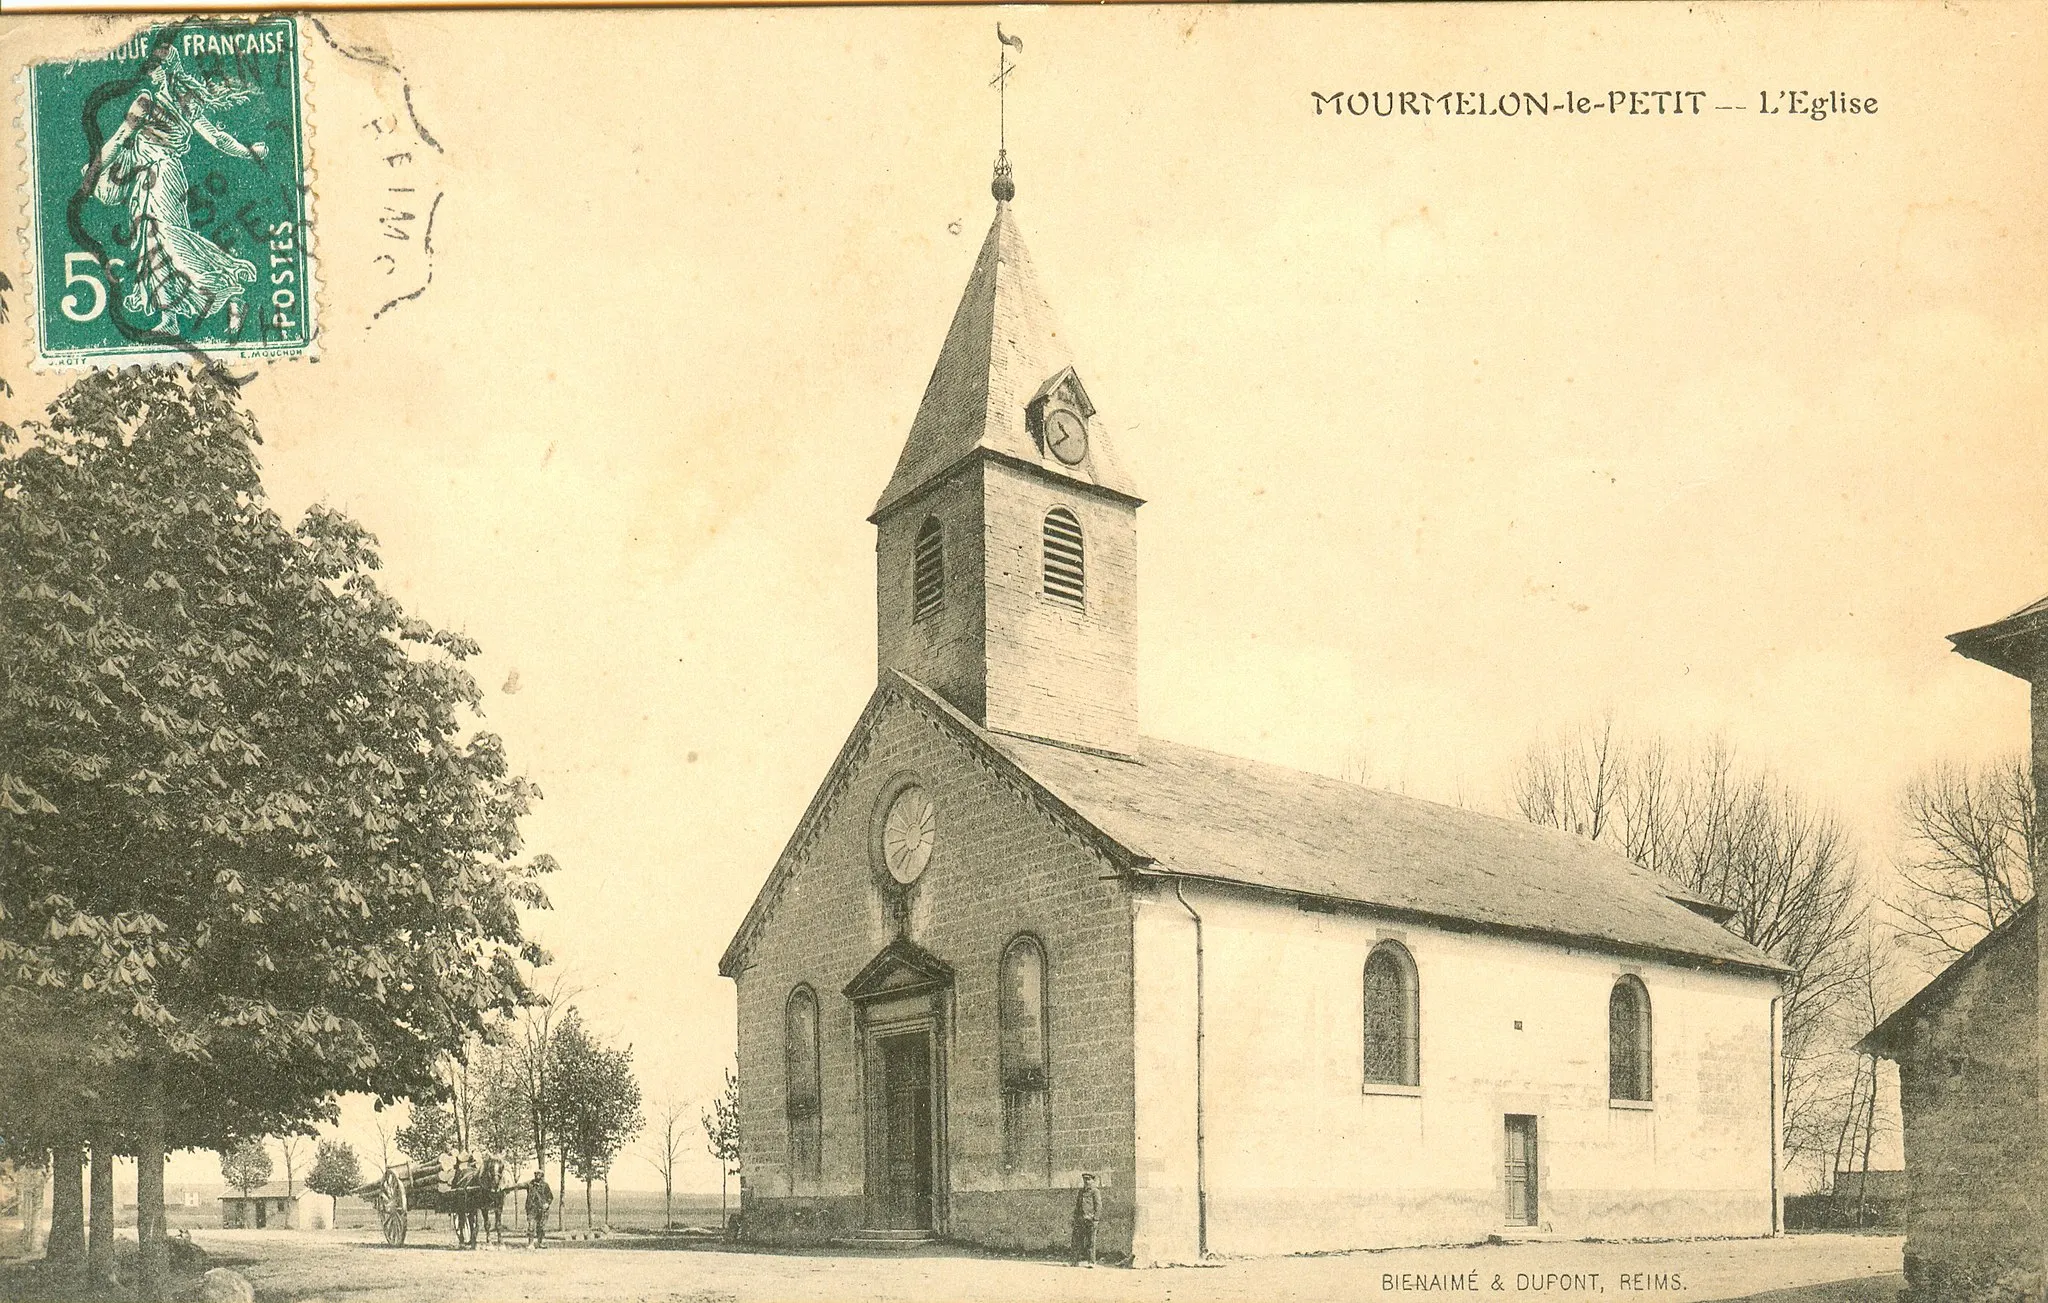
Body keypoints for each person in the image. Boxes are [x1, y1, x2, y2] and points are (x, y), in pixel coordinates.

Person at [86, 46, 265, 336]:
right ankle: (169, 320)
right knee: (151, 249)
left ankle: (227, 290)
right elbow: (120, 139)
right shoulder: (147, 103)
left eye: (155, 67)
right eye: (149, 68)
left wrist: (248, 152)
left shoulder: (182, 103)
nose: (150, 73)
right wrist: (94, 172)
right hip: (144, 179)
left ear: (166, 70)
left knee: (170, 242)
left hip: (163, 177)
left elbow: (217, 138)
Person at [1070, 1172, 1101, 1267]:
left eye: (1088, 1179)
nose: (1086, 1182)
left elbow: (1098, 1205)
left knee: (1091, 1241)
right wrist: (1075, 1217)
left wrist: (1095, 1218)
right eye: (1084, 1180)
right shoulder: (1081, 1192)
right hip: (1080, 1219)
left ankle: (1091, 1262)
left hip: (1090, 1219)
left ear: (1092, 1180)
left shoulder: (1095, 1191)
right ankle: (1075, 1262)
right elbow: (1078, 1205)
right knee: (1077, 1241)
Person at [524, 1170, 553, 1249]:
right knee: (531, 1226)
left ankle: (540, 1242)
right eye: (536, 1174)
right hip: (532, 1208)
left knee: (541, 1227)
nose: (537, 1175)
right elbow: (519, 1185)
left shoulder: (545, 1185)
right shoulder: (530, 1184)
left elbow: (550, 1197)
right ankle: (531, 1243)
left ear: (542, 1175)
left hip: (542, 1209)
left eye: (539, 1174)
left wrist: (547, 1204)